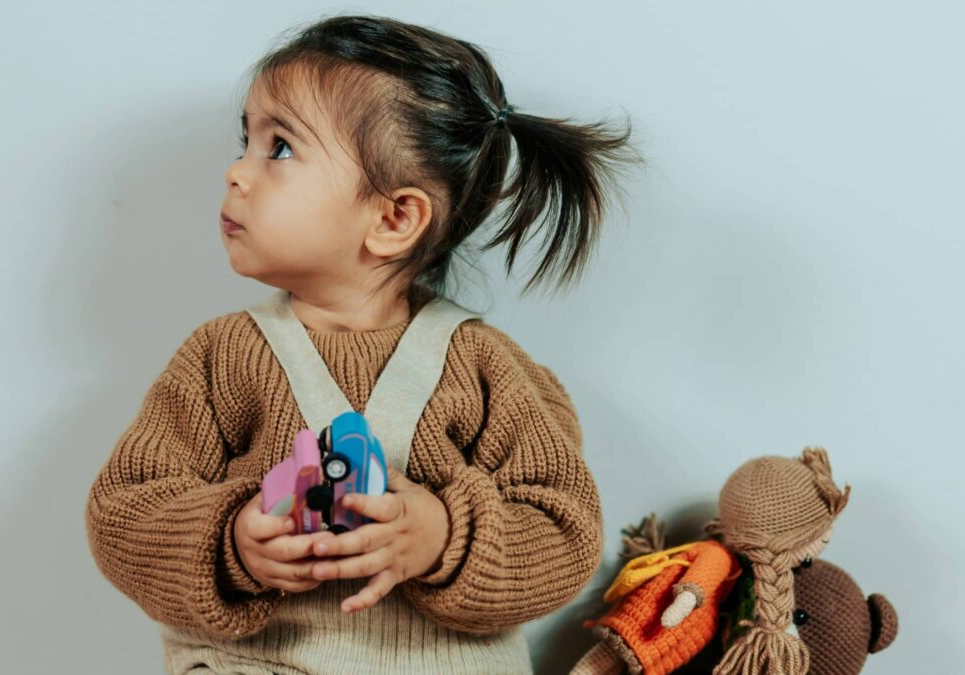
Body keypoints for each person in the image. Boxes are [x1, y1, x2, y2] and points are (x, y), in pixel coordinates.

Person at [84, 13, 642, 674]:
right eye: (246, 142)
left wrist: (442, 537)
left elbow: (565, 531)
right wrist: (231, 540)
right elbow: (124, 512)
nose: (237, 171)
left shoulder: (488, 371)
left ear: (393, 218)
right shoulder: (221, 358)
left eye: (280, 147)